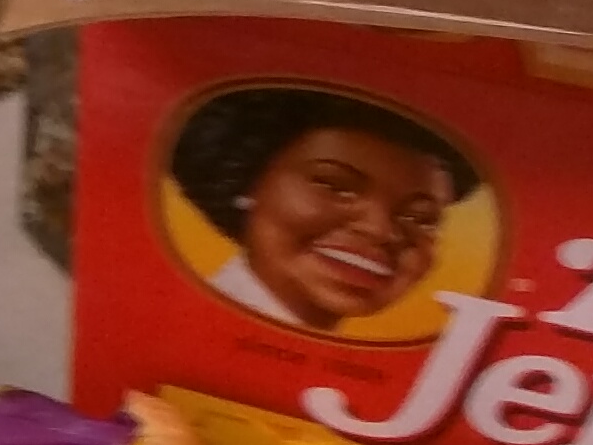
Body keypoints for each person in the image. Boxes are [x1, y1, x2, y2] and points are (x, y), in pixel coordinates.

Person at [170, 84, 477, 334]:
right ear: (246, 180)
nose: (380, 229)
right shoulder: (178, 329)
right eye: (334, 185)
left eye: (420, 217)